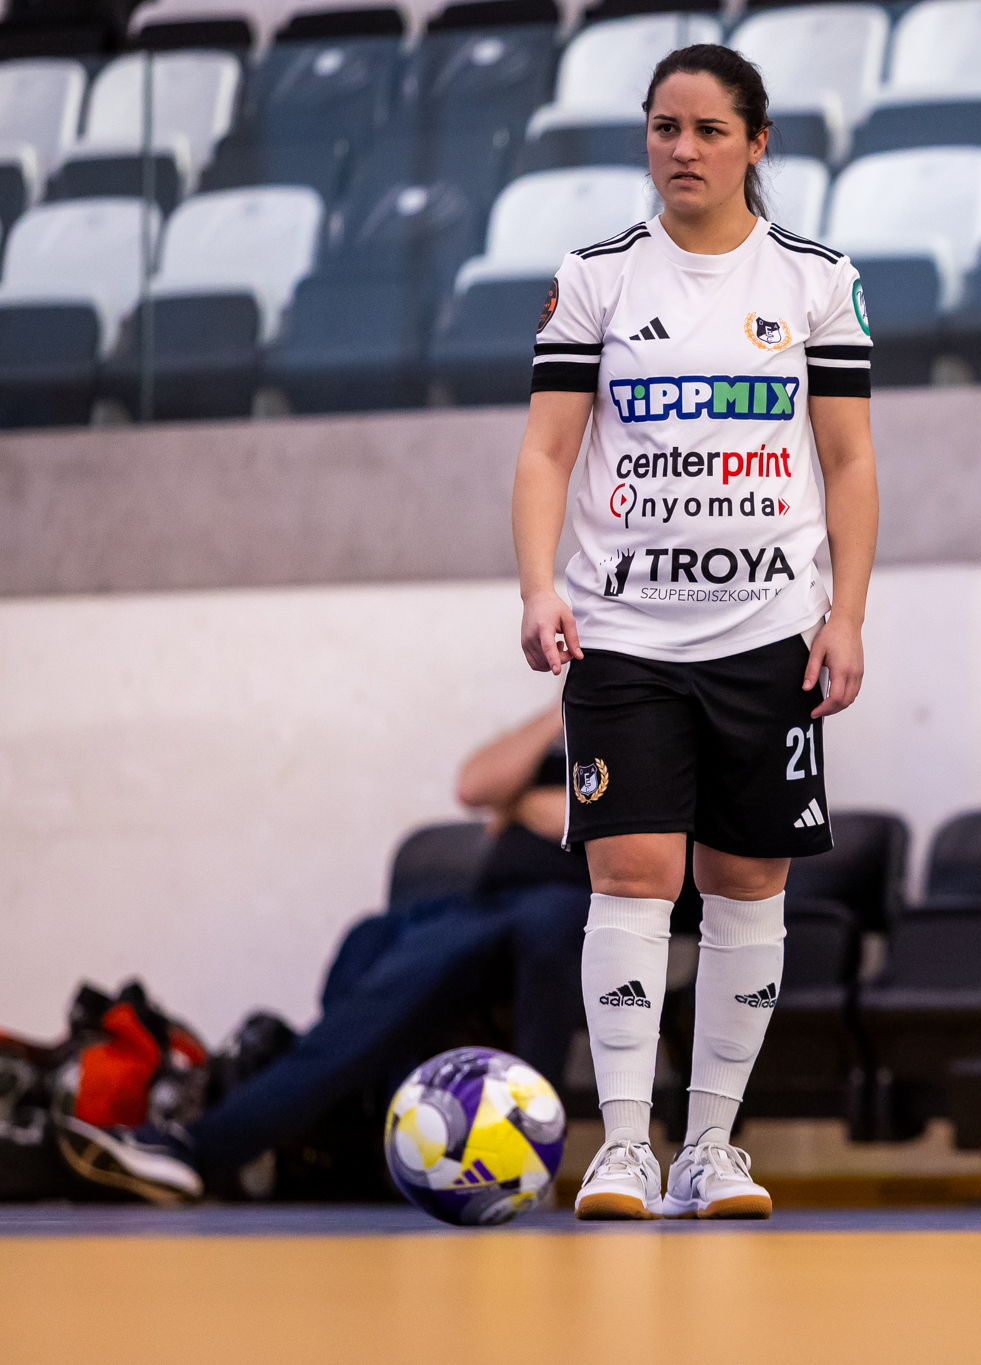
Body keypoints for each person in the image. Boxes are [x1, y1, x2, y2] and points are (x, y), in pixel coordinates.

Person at [513, 44, 877, 1221]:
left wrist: (846, 616)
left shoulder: (815, 280)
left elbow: (849, 460)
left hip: (769, 634)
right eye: (664, 127)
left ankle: (709, 1149)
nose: (683, 149)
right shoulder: (595, 279)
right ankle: (623, 1145)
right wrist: (537, 588)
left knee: (746, 883)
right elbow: (546, 450)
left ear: (754, 144)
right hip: (622, 636)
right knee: (631, 876)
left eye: (709, 130)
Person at [61, 709, 595, 1202]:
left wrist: (522, 806)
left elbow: (615, 818)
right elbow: (474, 786)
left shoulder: (630, 727)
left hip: (566, 903)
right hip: (486, 901)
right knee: (368, 942)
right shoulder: (559, 728)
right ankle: (370, 1149)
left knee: (430, 976)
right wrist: (563, 707)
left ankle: (196, 1149)